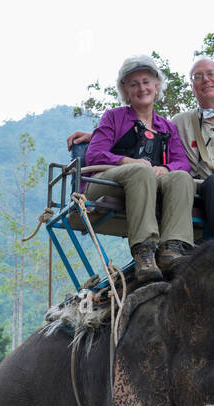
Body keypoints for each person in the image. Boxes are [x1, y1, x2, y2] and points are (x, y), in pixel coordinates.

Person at [68, 57, 214, 247]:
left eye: (212, 74)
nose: (206, 80)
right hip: (210, 189)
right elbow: (138, 128)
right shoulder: (181, 123)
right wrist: (96, 135)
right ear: (193, 87)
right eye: (198, 77)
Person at [82, 55, 195, 281]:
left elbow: (182, 162)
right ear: (126, 90)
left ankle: (173, 247)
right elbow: (93, 154)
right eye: (134, 84)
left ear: (156, 85)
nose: (142, 88)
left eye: (146, 81)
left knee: (181, 176)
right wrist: (129, 162)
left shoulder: (167, 127)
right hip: (106, 183)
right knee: (142, 171)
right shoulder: (114, 117)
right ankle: (144, 250)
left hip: (149, 183)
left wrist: (165, 168)